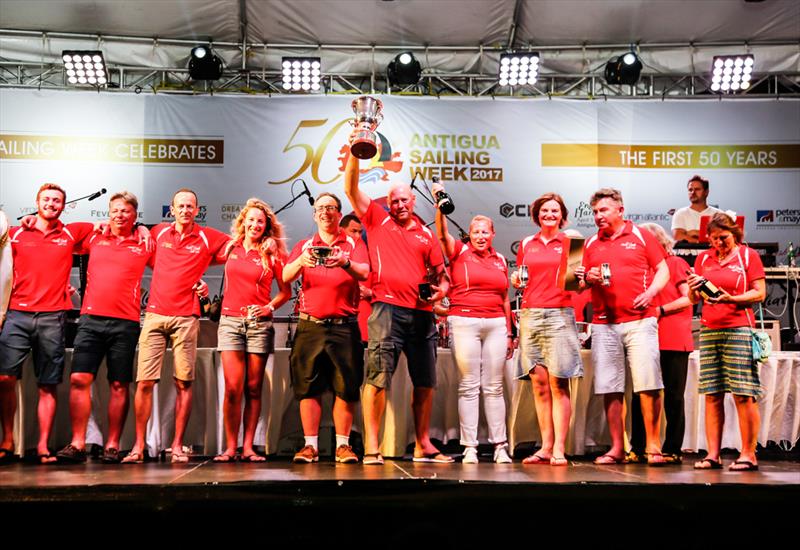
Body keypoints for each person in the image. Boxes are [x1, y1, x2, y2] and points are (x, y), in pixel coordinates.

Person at [344, 150, 452, 465]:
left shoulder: (427, 234)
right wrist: (355, 153)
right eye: (395, 200)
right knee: (377, 378)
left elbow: (443, 279)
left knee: (426, 381)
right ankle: (373, 448)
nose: (400, 204)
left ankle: (422, 444)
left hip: (422, 315)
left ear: (414, 202)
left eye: (405, 200)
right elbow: (351, 189)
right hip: (386, 310)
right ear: (388, 204)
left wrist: (439, 293)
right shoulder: (377, 219)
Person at [122, 188, 230, 464]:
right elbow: (127, 230)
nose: (185, 210)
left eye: (190, 206)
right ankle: (138, 446)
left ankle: (178, 445)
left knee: (184, 382)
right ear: (172, 209)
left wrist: (207, 278)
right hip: (155, 316)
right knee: (145, 382)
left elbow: (236, 248)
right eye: (180, 206)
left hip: (186, 318)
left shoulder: (208, 237)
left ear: (197, 210)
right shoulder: (156, 232)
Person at [54, 192, 152, 464]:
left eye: (126, 212)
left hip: (126, 322)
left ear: (135, 216)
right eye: (115, 210)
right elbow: (58, 231)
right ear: (108, 213)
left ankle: (112, 444)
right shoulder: (93, 236)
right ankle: (77, 442)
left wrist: (144, 229)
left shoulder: (145, 242)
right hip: (90, 320)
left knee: (119, 384)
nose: (120, 215)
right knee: (78, 380)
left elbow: (174, 260)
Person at [0, 184, 94, 464]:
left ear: (64, 206)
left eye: (57, 200)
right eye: (46, 199)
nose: (51, 203)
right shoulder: (15, 234)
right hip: (17, 313)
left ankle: (42, 445)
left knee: (48, 384)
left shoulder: (70, 233)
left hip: (53, 317)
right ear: (36, 202)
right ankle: (7, 439)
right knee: (4, 378)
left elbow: (106, 228)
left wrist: (137, 230)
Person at [576, 188, 669, 465]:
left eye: (603, 210)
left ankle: (653, 447)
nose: (598, 216)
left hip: (640, 321)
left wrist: (651, 293)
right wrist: (587, 279)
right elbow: (577, 284)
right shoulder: (589, 243)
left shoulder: (641, 235)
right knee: (610, 387)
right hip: (604, 324)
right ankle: (617, 447)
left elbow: (663, 268)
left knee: (648, 384)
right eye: (594, 212)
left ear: (620, 210)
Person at [283, 193, 369, 464]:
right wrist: (300, 262)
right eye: (320, 208)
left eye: (331, 208)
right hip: (311, 325)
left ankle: (343, 446)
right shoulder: (304, 245)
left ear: (338, 214)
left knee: (346, 387)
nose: (325, 212)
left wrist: (344, 262)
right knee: (308, 387)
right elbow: (285, 277)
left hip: (345, 326)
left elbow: (365, 272)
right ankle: (310, 446)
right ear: (314, 214)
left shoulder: (353, 243)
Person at [432, 182, 513, 464]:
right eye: (476, 231)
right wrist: (439, 205)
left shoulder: (501, 259)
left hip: (496, 325)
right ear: (469, 234)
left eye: (485, 232)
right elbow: (441, 233)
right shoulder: (458, 252)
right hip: (464, 321)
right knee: (468, 385)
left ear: (492, 234)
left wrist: (511, 331)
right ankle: (470, 447)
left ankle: (500, 445)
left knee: (494, 386)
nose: (480, 236)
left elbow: (505, 297)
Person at [213, 198, 291, 462]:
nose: (255, 224)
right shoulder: (231, 247)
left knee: (254, 387)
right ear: (243, 222)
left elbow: (285, 292)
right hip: (230, 322)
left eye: (261, 221)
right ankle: (230, 447)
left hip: (258, 325)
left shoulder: (273, 253)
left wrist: (269, 307)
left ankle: (248, 447)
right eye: (252, 220)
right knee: (233, 387)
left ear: (266, 226)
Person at [687, 212, 765, 471]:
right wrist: (693, 286)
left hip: (739, 328)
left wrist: (730, 298)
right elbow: (693, 298)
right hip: (710, 331)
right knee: (712, 394)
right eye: (714, 238)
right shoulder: (703, 258)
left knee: (743, 394)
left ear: (735, 235)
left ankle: (748, 454)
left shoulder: (747, 256)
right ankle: (712, 455)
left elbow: (760, 292)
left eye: (724, 238)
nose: (719, 243)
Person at [511, 193, 583, 467]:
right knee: (539, 385)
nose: (549, 215)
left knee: (558, 383)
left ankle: (559, 450)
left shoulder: (572, 243)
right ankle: (545, 447)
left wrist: (583, 277)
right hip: (530, 314)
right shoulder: (527, 243)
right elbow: (521, 278)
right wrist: (516, 280)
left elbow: (577, 286)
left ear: (561, 215)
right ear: (537, 215)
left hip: (559, 315)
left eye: (554, 210)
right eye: (544, 211)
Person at [628, 223, 693, 465]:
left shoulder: (675, 264)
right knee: (640, 394)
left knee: (674, 396)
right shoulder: (641, 269)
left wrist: (661, 309)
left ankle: (673, 448)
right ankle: (639, 447)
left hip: (673, 337)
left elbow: (689, 298)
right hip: (644, 337)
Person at [671, 175, 721, 243]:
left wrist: (693, 232)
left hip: (711, 253)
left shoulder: (718, 214)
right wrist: (704, 238)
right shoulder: (680, 213)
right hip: (686, 254)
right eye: (690, 190)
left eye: (697, 189)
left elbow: (721, 236)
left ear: (706, 192)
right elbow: (678, 236)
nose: (693, 193)